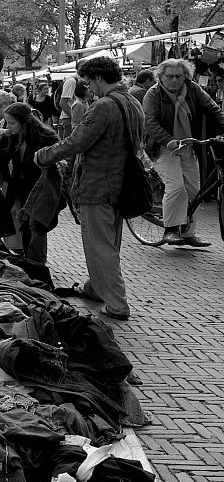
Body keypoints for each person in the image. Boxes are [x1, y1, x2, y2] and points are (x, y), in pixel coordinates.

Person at [35, 57, 140, 321]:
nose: (88, 88)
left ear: (97, 78)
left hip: (98, 186)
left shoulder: (104, 106)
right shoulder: (134, 103)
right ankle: (95, 288)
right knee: (109, 243)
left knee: (99, 247)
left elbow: (75, 142)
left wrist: (43, 156)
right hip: (122, 185)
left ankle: (117, 304)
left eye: (89, 82)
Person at [143, 58, 224, 247]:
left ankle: (188, 233)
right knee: (176, 187)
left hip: (188, 145)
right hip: (163, 147)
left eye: (179, 76)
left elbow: (213, 108)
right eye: (170, 76)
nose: (174, 81)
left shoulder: (193, 88)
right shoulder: (153, 94)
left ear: (185, 76)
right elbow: (150, 122)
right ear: (161, 77)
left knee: (195, 191)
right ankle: (170, 230)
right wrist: (168, 140)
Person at [0, 103, 60, 263]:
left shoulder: (46, 138)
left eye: (11, 123)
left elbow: (56, 164)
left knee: (36, 225)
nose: (8, 127)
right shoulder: (10, 137)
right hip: (20, 188)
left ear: (24, 121)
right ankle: (28, 260)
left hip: (41, 188)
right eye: (6, 123)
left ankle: (37, 263)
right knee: (24, 225)